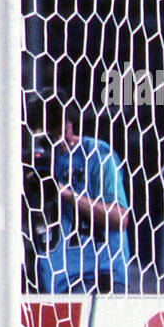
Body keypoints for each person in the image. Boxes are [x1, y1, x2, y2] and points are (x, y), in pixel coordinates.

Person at [28, 88, 131, 294]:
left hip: (99, 274)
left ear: (69, 121)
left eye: (58, 126)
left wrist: (66, 194)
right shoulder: (37, 162)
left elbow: (120, 217)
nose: (56, 136)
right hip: (56, 281)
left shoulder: (97, 153)